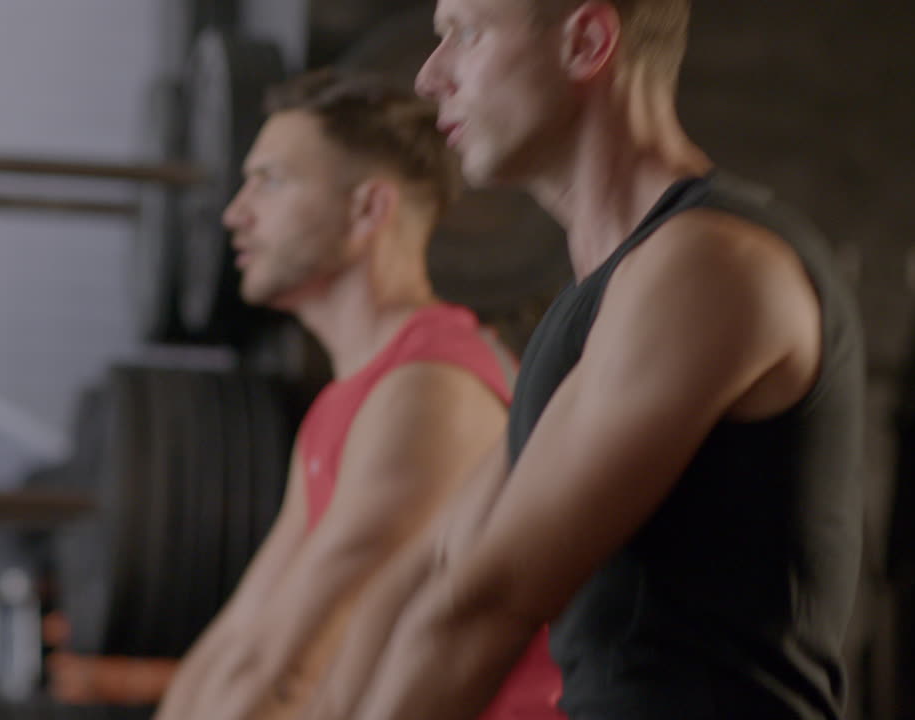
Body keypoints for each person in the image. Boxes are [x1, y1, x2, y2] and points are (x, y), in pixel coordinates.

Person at [302, 2, 865, 720]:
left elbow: (487, 604)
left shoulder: (711, 266)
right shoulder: (597, 303)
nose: (427, 77)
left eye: (466, 35)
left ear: (587, 43)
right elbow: (439, 569)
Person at [48, 68, 564, 719]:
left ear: (369, 209)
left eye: (270, 181)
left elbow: (293, 672)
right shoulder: (346, 402)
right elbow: (243, 634)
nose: (235, 212)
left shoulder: (430, 393)